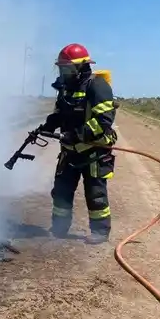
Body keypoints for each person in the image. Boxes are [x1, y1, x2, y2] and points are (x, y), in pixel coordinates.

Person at [39, 44, 118, 244]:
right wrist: (48, 126)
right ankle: (59, 228)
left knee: (96, 194)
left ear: (82, 67)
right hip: (70, 152)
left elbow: (103, 121)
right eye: (61, 68)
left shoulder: (97, 86)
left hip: (94, 152)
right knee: (61, 191)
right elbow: (60, 113)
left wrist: (75, 135)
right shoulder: (65, 88)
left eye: (68, 68)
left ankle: (100, 231)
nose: (64, 73)